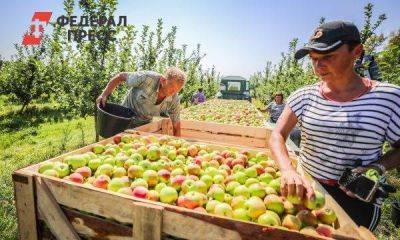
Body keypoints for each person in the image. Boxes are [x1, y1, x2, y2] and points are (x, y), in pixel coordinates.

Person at [269, 20, 400, 230]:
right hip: (307, 190)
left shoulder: (388, 98)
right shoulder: (303, 96)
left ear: (356, 52)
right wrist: (287, 170)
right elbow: (277, 135)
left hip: (356, 201)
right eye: (313, 59)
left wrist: (377, 167)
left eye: (328, 57)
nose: (318, 67)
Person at [96, 67, 187, 136]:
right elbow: (121, 76)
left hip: (143, 126)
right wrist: (104, 94)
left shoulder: (174, 99)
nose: (173, 92)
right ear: (163, 80)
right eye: (172, 87)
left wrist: (177, 145)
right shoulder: (147, 78)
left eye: (177, 90)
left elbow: (176, 124)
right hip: (123, 120)